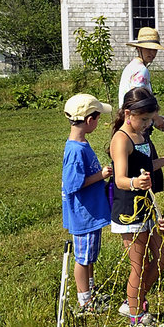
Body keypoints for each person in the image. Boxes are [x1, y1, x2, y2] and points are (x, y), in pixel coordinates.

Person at [109, 88, 164, 327]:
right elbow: (120, 179)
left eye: (150, 119)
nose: (148, 124)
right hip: (130, 213)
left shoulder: (141, 135)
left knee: (163, 256)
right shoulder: (122, 139)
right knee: (138, 265)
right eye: (144, 119)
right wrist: (136, 183)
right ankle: (135, 320)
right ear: (128, 114)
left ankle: (133, 300)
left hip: (147, 208)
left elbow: (147, 165)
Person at [61, 94, 113, 314]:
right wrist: (101, 175)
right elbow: (73, 183)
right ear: (90, 120)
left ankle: (90, 293)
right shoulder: (75, 150)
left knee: (89, 256)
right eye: (98, 117)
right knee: (82, 260)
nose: (98, 122)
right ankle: (84, 303)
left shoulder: (81, 143)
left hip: (91, 212)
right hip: (84, 214)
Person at [118, 27, 164, 190]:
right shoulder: (141, 70)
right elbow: (139, 99)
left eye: (154, 50)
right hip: (136, 120)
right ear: (138, 48)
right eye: (148, 49)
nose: (152, 53)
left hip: (128, 118)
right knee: (144, 161)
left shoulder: (132, 67)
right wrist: (155, 117)